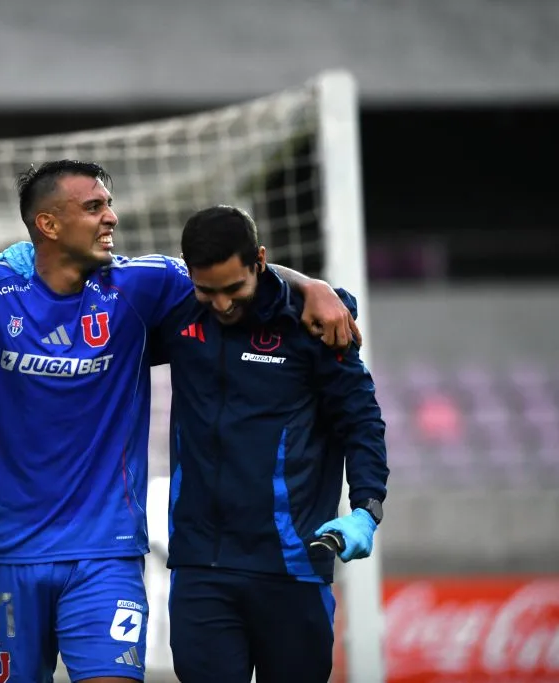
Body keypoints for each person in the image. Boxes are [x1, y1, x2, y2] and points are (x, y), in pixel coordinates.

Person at [0, 160, 359, 683]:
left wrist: (312, 286)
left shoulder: (142, 285)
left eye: (107, 203)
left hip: (106, 552)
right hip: (6, 553)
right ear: (47, 223)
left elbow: (236, 276)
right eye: (93, 207)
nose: (111, 216)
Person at [155, 205, 388, 683]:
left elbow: (361, 420)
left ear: (260, 261)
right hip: (202, 567)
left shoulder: (315, 325)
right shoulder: (178, 314)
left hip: (293, 565)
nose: (220, 304)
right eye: (206, 290)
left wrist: (367, 507)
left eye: (233, 289)